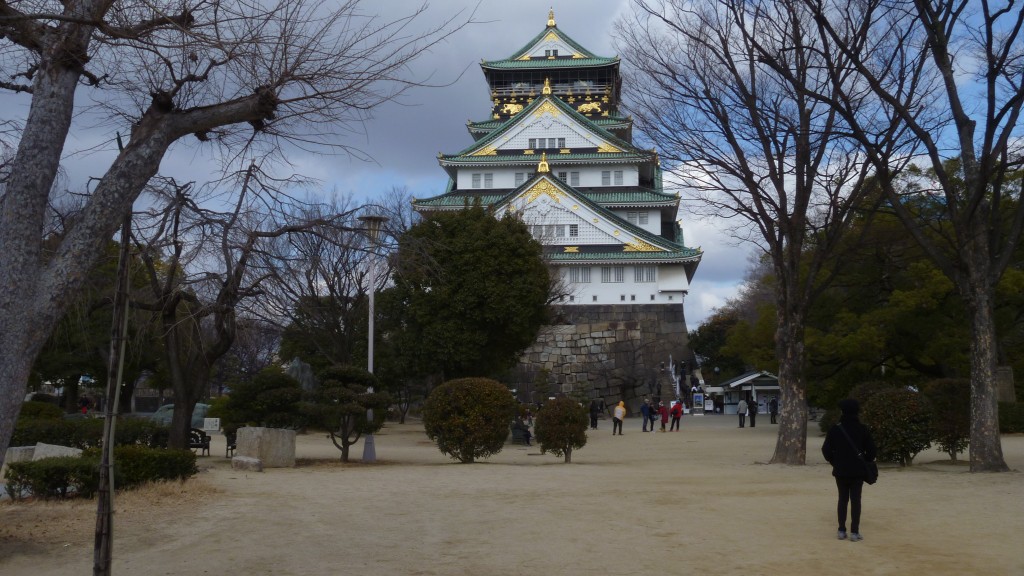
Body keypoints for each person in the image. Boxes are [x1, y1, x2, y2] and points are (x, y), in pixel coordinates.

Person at [822, 398, 877, 542]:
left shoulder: (835, 429)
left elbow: (826, 450)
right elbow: (872, 452)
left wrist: (835, 461)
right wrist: (865, 460)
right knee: (856, 500)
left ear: (842, 411)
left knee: (842, 499)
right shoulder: (862, 429)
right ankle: (854, 532)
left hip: (840, 470)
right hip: (858, 471)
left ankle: (841, 530)